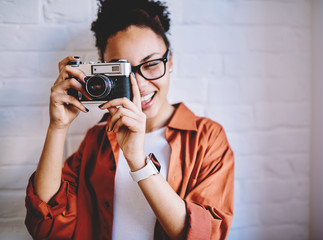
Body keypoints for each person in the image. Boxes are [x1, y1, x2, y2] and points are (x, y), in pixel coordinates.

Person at [25, 0, 234, 239]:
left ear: (171, 62)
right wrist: (57, 127)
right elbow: (47, 226)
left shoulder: (206, 138)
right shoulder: (97, 140)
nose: (139, 85)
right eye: (123, 71)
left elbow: (206, 235)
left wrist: (138, 161)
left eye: (152, 64)